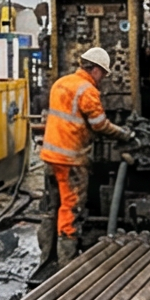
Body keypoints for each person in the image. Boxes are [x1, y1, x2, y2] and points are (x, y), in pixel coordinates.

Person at [39, 44, 130, 266]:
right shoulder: (87, 90)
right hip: (71, 160)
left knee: (52, 207)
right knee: (71, 208)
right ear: (96, 70)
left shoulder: (60, 83)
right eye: (103, 74)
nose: (102, 79)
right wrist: (123, 134)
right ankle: (65, 264)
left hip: (50, 157)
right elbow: (99, 125)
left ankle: (46, 258)